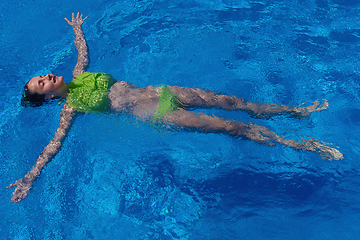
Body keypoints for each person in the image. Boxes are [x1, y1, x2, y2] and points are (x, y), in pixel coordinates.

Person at [7, 13, 343, 203]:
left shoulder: (78, 75)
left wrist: (78, 31)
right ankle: (296, 144)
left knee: (232, 102)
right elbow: (53, 146)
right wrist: (30, 177)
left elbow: (82, 53)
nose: (46, 76)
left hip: (163, 91)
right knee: (228, 127)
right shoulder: (70, 108)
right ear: (49, 97)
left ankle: (292, 111)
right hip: (157, 113)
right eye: (41, 83)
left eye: (41, 76)